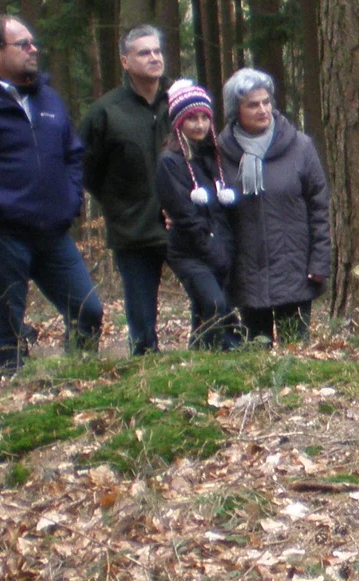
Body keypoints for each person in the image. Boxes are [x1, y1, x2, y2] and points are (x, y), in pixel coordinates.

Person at [0, 14, 103, 376]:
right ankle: (8, 393)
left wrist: (71, 199)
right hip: (3, 235)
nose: (33, 50)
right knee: (8, 321)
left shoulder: (49, 99)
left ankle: (78, 379)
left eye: (33, 43)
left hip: (53, 234)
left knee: (88, 311)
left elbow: (73, 154)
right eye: (23, 44)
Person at [218, 68, 332, 344]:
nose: (262, 110)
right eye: (252, 105)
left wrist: (320, 261)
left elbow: (319, 208)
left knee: (296, 353)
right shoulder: (220, 153)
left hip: (295, 271)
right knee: (257, 354)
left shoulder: (300, 147)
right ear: (236, 111)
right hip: (246, 274)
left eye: (266, 102)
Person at [78, 25, 172, 355]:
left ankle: (207, 362)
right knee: (142, 326)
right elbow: (86, 169)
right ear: (124, 61)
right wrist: (118, 204)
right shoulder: (106, 112)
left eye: (157, 51)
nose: (154, 57)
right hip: (133, 230)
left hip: (182, 223)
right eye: (144, 52)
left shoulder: (180, 101)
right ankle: (146, 370)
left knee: (210, 300)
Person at [155, 81, 240, 349]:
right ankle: (218, 351)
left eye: (204, 117)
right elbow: (184, 214)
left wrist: (224, 247)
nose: (199, 124)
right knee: (214, 303)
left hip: (218, 246)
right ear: (179, 121)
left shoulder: (213, 157)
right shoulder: (170, 161)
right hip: (189, 251)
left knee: (207, 308)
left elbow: (221, 209)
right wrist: (211, 249)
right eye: (192, 118)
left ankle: (202, 353)